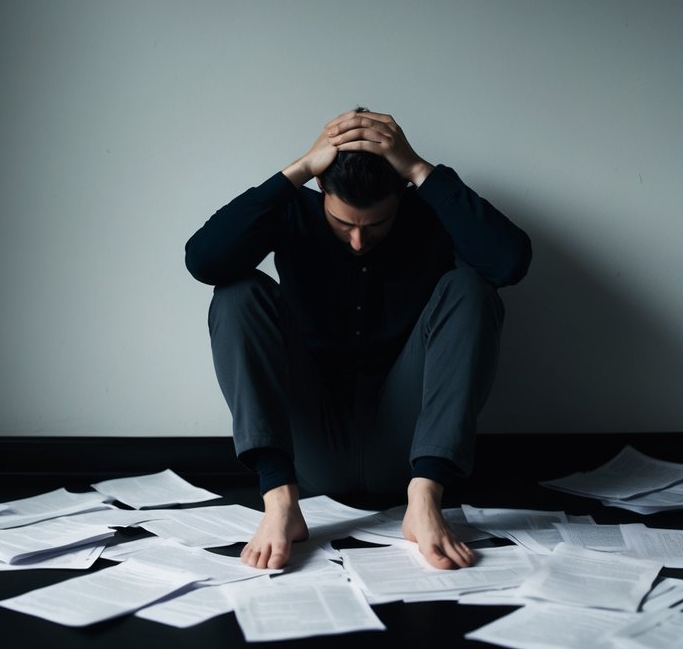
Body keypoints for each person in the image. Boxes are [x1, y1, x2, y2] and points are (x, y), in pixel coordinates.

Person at [185, 108, 531, 571]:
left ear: (403, 196)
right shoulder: (294, 208)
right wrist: (300, 169)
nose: (357, 242)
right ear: (321, 191)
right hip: (313, 446)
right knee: (236, 292)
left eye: (374, 226)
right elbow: (204, 261)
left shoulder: (430, 210)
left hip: (408, 444)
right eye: (343, 224)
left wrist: (419, 169)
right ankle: (281, 504)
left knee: (470, 288)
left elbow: (509, 264)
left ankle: (424, 502)